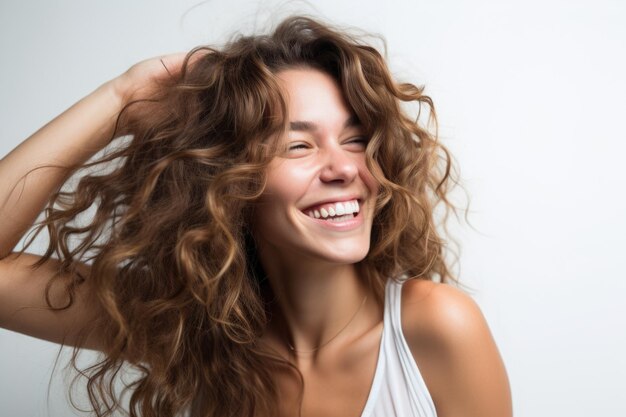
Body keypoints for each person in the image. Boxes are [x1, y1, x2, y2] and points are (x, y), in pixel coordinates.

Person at [0, 15, 512, 417]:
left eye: (356, 139)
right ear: (231, 184)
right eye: (298, 144)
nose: (344, 168)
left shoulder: (436, 328)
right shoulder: (191, 331)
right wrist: (122, 96)